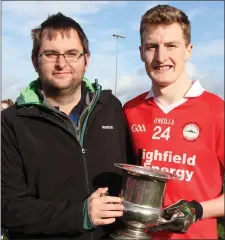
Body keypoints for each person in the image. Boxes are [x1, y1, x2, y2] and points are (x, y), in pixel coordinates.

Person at [1, 12, 129, 240]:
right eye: (50, 54)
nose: (62, 63)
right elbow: (8, 207)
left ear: (86, 60)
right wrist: (80, 215)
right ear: (34, 60)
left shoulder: (111, 108)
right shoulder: (11, 122)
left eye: (72, 53)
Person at [123, 4, 224, 239]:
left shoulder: (217, 110)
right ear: (140, 52)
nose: (161, 57)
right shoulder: (130, 110)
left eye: (171, 46)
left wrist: (197, 210)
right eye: (152, 47)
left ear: (188, 50)